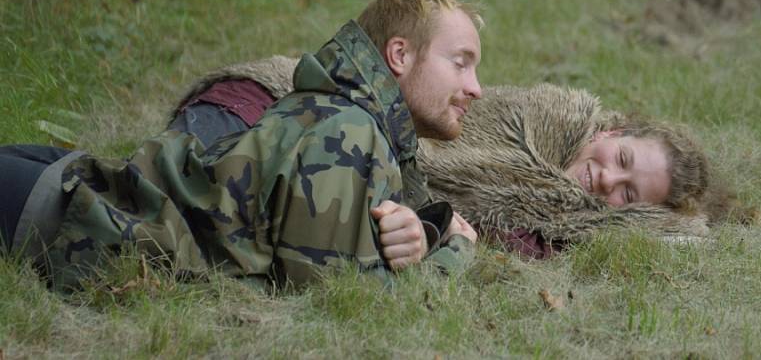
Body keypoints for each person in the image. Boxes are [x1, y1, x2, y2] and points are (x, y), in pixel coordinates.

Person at [1, 0, 483, 289]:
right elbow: (341, 299)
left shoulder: (349, 117)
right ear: (399, 55)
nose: (475, 88)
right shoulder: (348, 131)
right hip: (67, 215)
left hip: (71, 185)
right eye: (460, 62)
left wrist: (425, 232)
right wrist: (455, 254)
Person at [167, 59, 729, 260]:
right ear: (612, 129)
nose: (607, 178)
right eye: (622, 157)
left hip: (319, 159)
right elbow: (521, 207)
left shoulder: (562, 221)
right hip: (270, 102)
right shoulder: (541, 115)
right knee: (182, 193)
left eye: (628, 194)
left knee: (204, 227)